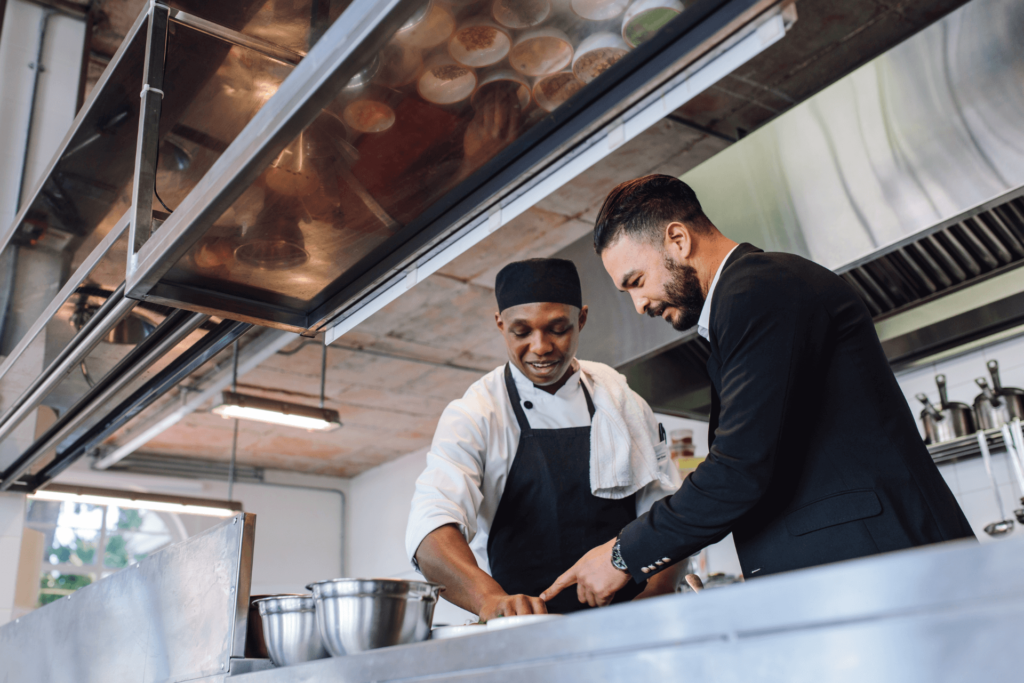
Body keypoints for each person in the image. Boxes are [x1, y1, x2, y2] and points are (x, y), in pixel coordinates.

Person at [541, 174, 975, 608]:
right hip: (859, 578)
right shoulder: (743, 303)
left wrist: (622, 555)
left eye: (636, 281)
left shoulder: (759, 290)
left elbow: (740, 468)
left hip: (884, 573)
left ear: (677, 239)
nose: (640, 306)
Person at [406, 258, 683, 619]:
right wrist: (488, 599)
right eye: (521, 332)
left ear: (581, 319)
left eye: (557, 328)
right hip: (526, 627)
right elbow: (431, 528)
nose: (541, 347)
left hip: (631, 621)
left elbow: (666, 513)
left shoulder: (620, 400)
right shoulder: (476, 413)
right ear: (500, 324)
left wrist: (657, 594)